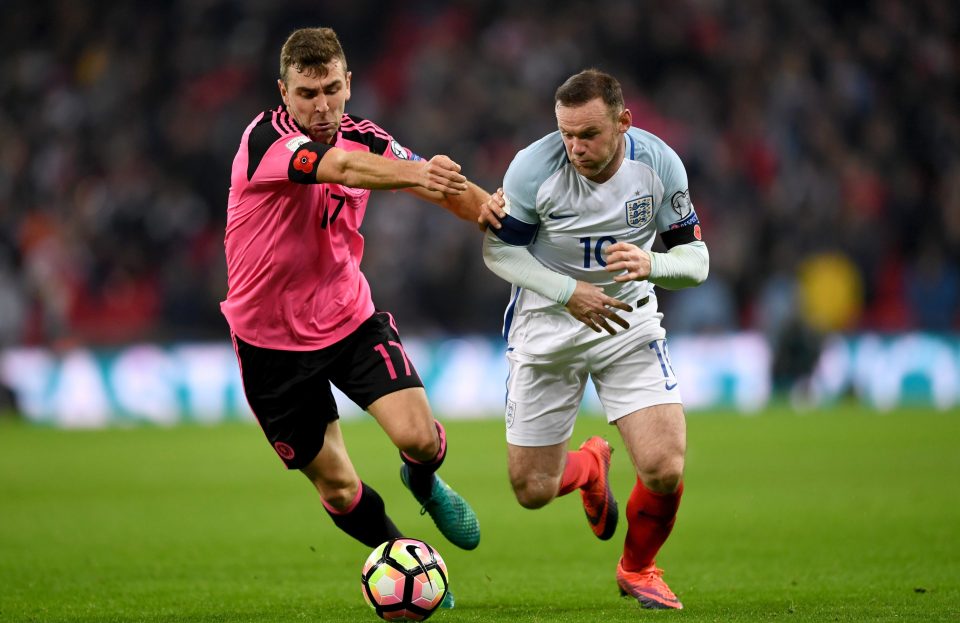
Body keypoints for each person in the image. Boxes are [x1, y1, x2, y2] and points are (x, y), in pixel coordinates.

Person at [220, 27, 487, 588]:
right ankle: (410, 564)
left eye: (331, 90)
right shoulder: (266, 140)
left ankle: (423, 482)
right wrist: (420, 172)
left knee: (420, 439)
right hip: (270, 344)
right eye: (307, 93)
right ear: (284, 92)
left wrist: (496, 215)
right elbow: (338, 168)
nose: (321, 106)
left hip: (349, 320)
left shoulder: (368, 138)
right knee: (338, 487)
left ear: (349, 85)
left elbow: (444, 190)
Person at [479, 69, 709, 610]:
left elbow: (696, 261)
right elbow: (499, 252)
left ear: (624, 122)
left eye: (589, 134)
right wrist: (568, 292)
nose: (575, 147)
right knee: (532, 491)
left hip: (627, 324)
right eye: (566, 134)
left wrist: (651, 263)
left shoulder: (658, 164)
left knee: (665, 466)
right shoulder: (534, 168)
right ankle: (588, 467)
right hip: (546, 325)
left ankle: (638, 567)